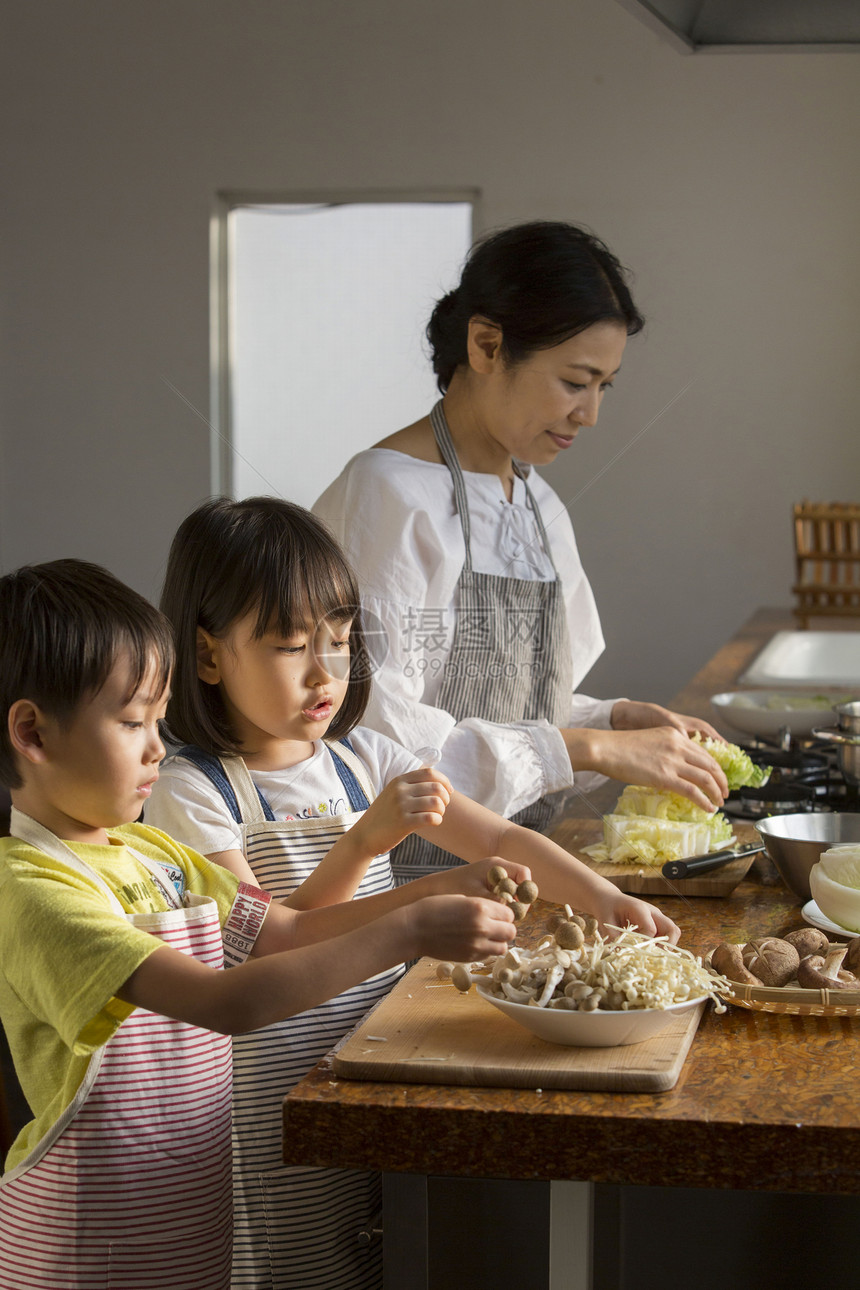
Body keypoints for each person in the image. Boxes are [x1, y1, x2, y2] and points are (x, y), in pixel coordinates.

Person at [144, 495, 681, 1290]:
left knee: (385, 1251)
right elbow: (273, 938)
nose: (326, 672)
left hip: (379, 1057)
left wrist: (606, 902)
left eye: (339, 640)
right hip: (272, 1095)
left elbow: (499, 837)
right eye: (292, 646)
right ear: (209, 653)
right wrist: (370, 847)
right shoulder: (190, 793)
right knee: (299, 1266)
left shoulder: (361, 755)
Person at [0, 558, 521, 1290]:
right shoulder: (34, 890)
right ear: (33, 733)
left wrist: (429, 896)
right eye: (130, 722)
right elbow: (227, 1003)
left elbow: (279, 932)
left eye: (158, 718)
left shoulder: (150, 851)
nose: (157, 746)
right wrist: (409, 931)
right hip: (93, 1239)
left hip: (181, 1206)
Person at [313, 219, 727, 883]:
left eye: (604, 386)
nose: (590, 414)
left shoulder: (537, 503)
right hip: (398, 888)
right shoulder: (388, 495)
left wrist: (612, 719)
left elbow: (508, 710)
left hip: (511, 873)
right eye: (574, 381)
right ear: (485, 345)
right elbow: (381, 747)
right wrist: (590, 746)